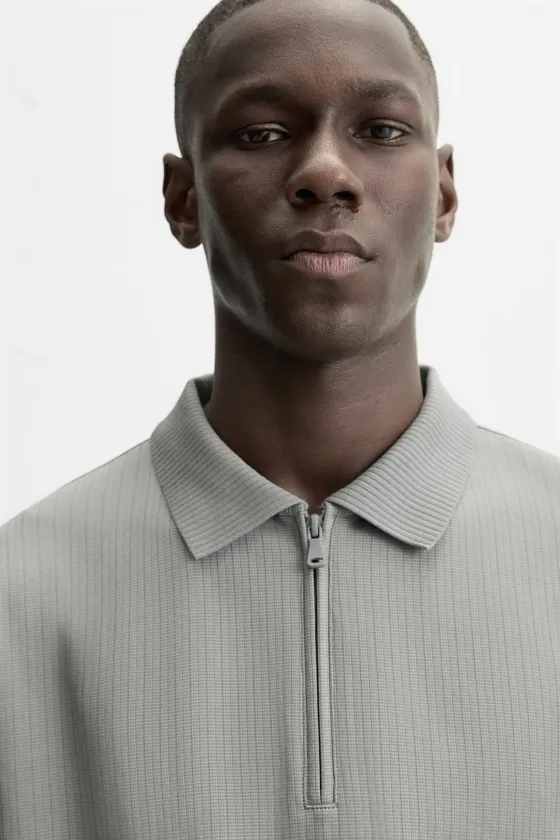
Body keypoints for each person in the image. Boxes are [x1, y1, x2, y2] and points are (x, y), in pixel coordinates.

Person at [1, 0, 559, 837]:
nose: (326, 173)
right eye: (261, 133)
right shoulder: (20, 597)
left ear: (444, 195)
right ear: (183, 198)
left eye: (381, 130)